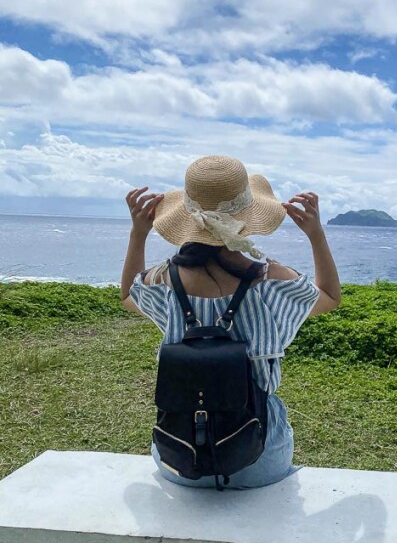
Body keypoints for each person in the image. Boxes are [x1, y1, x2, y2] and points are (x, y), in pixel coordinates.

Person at [120, 154, 341, 489]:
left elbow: (128, 297)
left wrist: (138, 234)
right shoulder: (272, 280)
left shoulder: (165, 279)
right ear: (248, 216)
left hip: (179, 457)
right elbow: (329, 297)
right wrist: (315, 234)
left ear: (187, 217)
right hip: (259, 458)